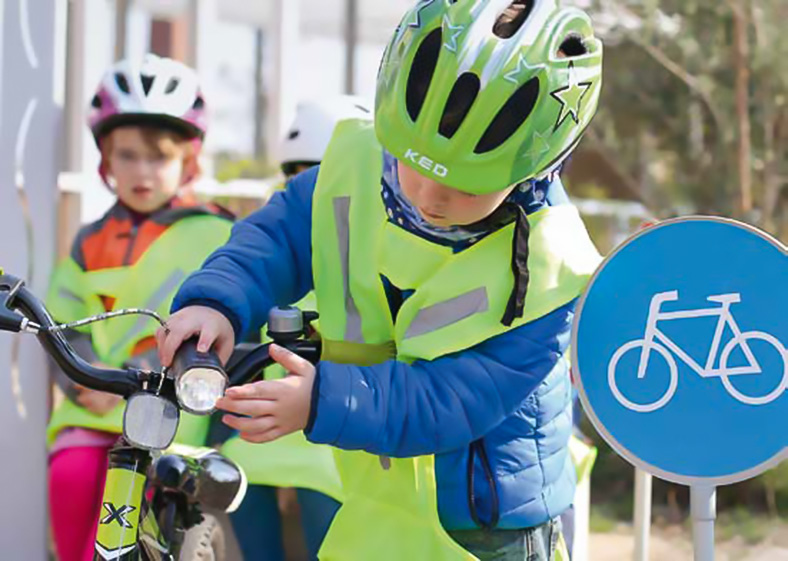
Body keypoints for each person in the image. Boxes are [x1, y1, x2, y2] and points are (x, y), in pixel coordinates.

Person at [158, 1, 603, 559]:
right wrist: (216, 302)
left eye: (470, 186)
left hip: (489, 525)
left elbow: (454, 400)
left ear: (539, 164)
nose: (431, 197)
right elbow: (273, 241)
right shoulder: (354, 165)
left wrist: (321, 402)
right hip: (377, 495)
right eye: (416, 163)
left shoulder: (551, 265)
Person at [46, 54, 233, 561]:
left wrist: (137, 375)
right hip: (91, 408)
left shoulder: (218, 234)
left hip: (165, 419)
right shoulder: (90, 240)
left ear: (188, 162)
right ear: (106, 162)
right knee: (70, 476)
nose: (142, 171)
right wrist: (85, 381)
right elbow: (62, 316)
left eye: (159, 157)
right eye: (127, 156)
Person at [220, 96, 371, 561]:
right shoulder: (297, 260)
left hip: (333, 437)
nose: (313, 189)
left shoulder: (359, 264)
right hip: (272, 439)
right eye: (298, 174)